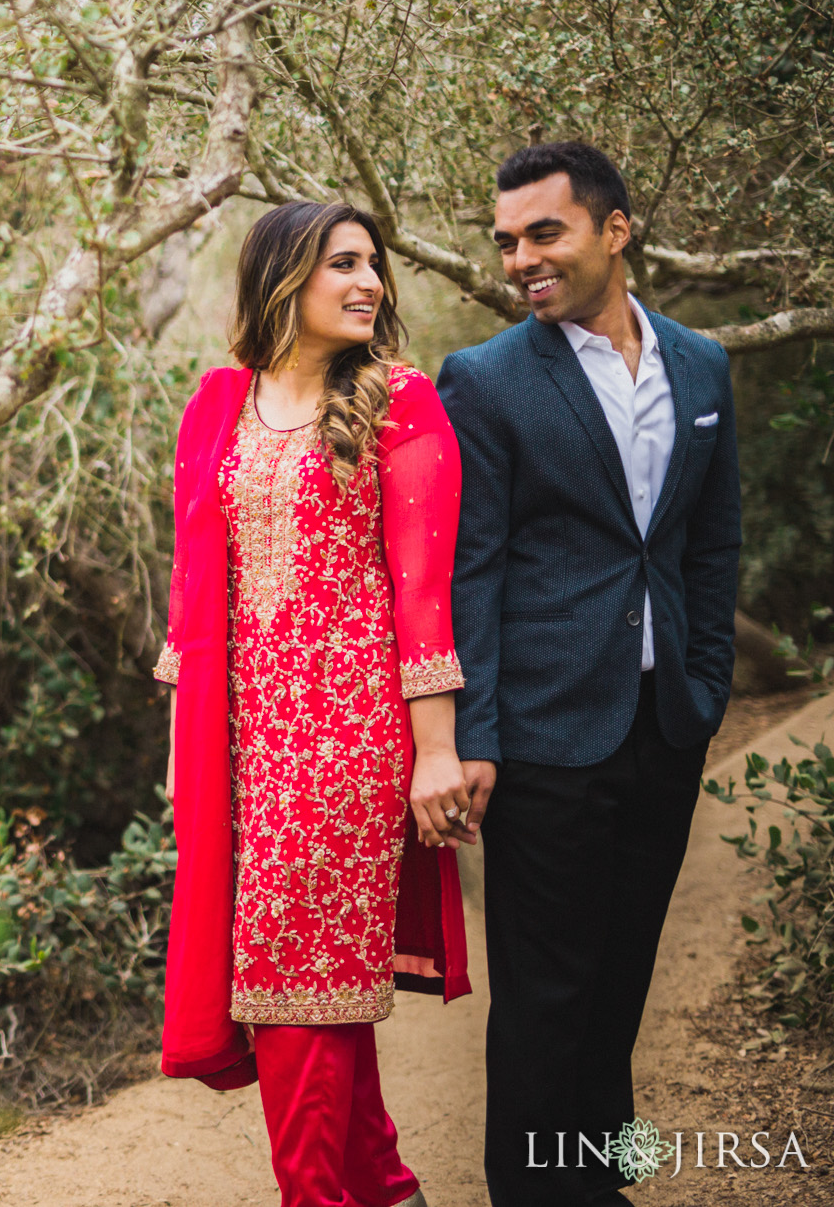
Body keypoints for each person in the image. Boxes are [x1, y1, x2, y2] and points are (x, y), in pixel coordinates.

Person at [436, 141, 741, 1207]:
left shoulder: (700, 365)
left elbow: (708, 544)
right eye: (506, 242)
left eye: (542, 233)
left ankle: (600, 1182)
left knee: (619, 983)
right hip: (541, 736)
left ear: (614, 231)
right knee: (543, 997)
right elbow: (469, 571)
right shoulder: (481, 379)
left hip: (663, 726)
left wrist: (704, 688)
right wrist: (473, 734)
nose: (520, 258)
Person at [156, 200, 474, 1207]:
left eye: (372, 265)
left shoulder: (402, 402)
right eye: (342, 263)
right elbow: (188, 599)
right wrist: (181, 757)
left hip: (347, 745)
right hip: (243, 746)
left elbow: (421, 593)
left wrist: (434, 752)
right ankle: (383, 1188)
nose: (367, 283)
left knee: (294, 987)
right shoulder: (215, 405)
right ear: (279, 277)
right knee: (311, 987)